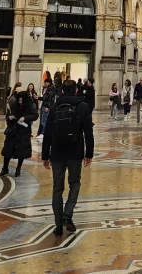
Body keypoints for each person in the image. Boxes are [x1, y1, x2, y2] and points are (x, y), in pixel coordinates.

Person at [42, 79, 94, 236]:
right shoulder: (83, 107)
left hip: (57, 152)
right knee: (75, 183)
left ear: (62, 91)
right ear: (77, 90)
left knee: (57, 187)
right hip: (75, 153)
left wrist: (45, 155)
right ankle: (68, 213)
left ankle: (58, 224)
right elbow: (88, 133)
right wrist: (89, 154)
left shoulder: (55, 106)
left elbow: (48, 132)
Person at [0, 84, 38, 177]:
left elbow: (35, 115)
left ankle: (18, 168)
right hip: (12, 130)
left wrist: (25, 118)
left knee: (22, 151)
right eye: (19, 100)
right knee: (8, 150)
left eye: (22, 100)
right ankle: (5, 168)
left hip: (23, 131)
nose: (20, 102)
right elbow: (7, 116)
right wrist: (10, 118)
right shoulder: (13, 104)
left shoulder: (30, 105)